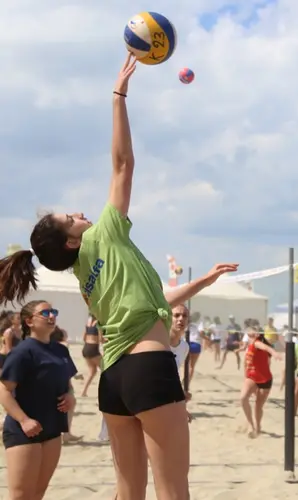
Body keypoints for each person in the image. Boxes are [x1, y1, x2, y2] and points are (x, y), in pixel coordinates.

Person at [0, 53, 239, 500]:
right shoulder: (105, 233)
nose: (79, 213)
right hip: (149, 365)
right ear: (71, 240)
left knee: (128, 491)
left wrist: (202, 282)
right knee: (173, 490)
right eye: (70, 217)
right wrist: (119, 96)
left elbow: (153, 299)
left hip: (115, 379)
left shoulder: (83, 276)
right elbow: (123, 163)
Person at [0, 301, 77, 499]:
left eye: (53, 311)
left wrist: (69, 396)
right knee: (21, 495)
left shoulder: (61, 350)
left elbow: (68, 384)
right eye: (45, 313)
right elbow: (3, 390)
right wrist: (24, 420)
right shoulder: (23, 351)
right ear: (29, 321)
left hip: (52, 429)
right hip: (24, 431)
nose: (51, 316)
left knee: (38, 492)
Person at [238, 327, 281, 437]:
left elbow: (267, 348)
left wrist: (274, 352)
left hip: (265, 379)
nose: (248, 332)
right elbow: (245, 364)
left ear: (257, 334)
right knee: (243, 398)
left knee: (258, 406)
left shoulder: (257, 343)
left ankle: (258, 427)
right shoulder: (249, 345)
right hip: (252, 377)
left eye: (251, 330)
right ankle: (252, 425)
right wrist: (245, 378)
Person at [80, 314, 102, 397]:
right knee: (106, 370)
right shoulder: (98, 323)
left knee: (92, 372)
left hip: (86, 348)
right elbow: (100, 339)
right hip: (93, 349)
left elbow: (84, 337)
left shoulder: (88, 323)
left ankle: (83, 391)